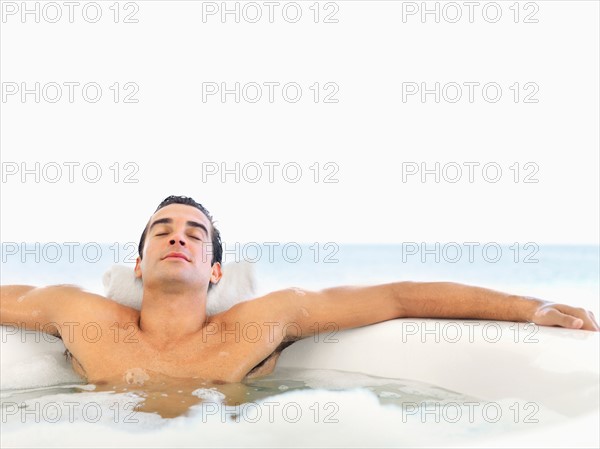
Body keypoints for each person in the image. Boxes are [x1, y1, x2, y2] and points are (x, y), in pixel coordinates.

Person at [1, 195, 598, 416]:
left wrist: (531, 305)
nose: (176, 236)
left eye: (193, 232)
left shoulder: (265, 320)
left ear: (214, 269)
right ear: (138, 264)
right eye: (161, 230)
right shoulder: (78, 314)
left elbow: (395, 297)